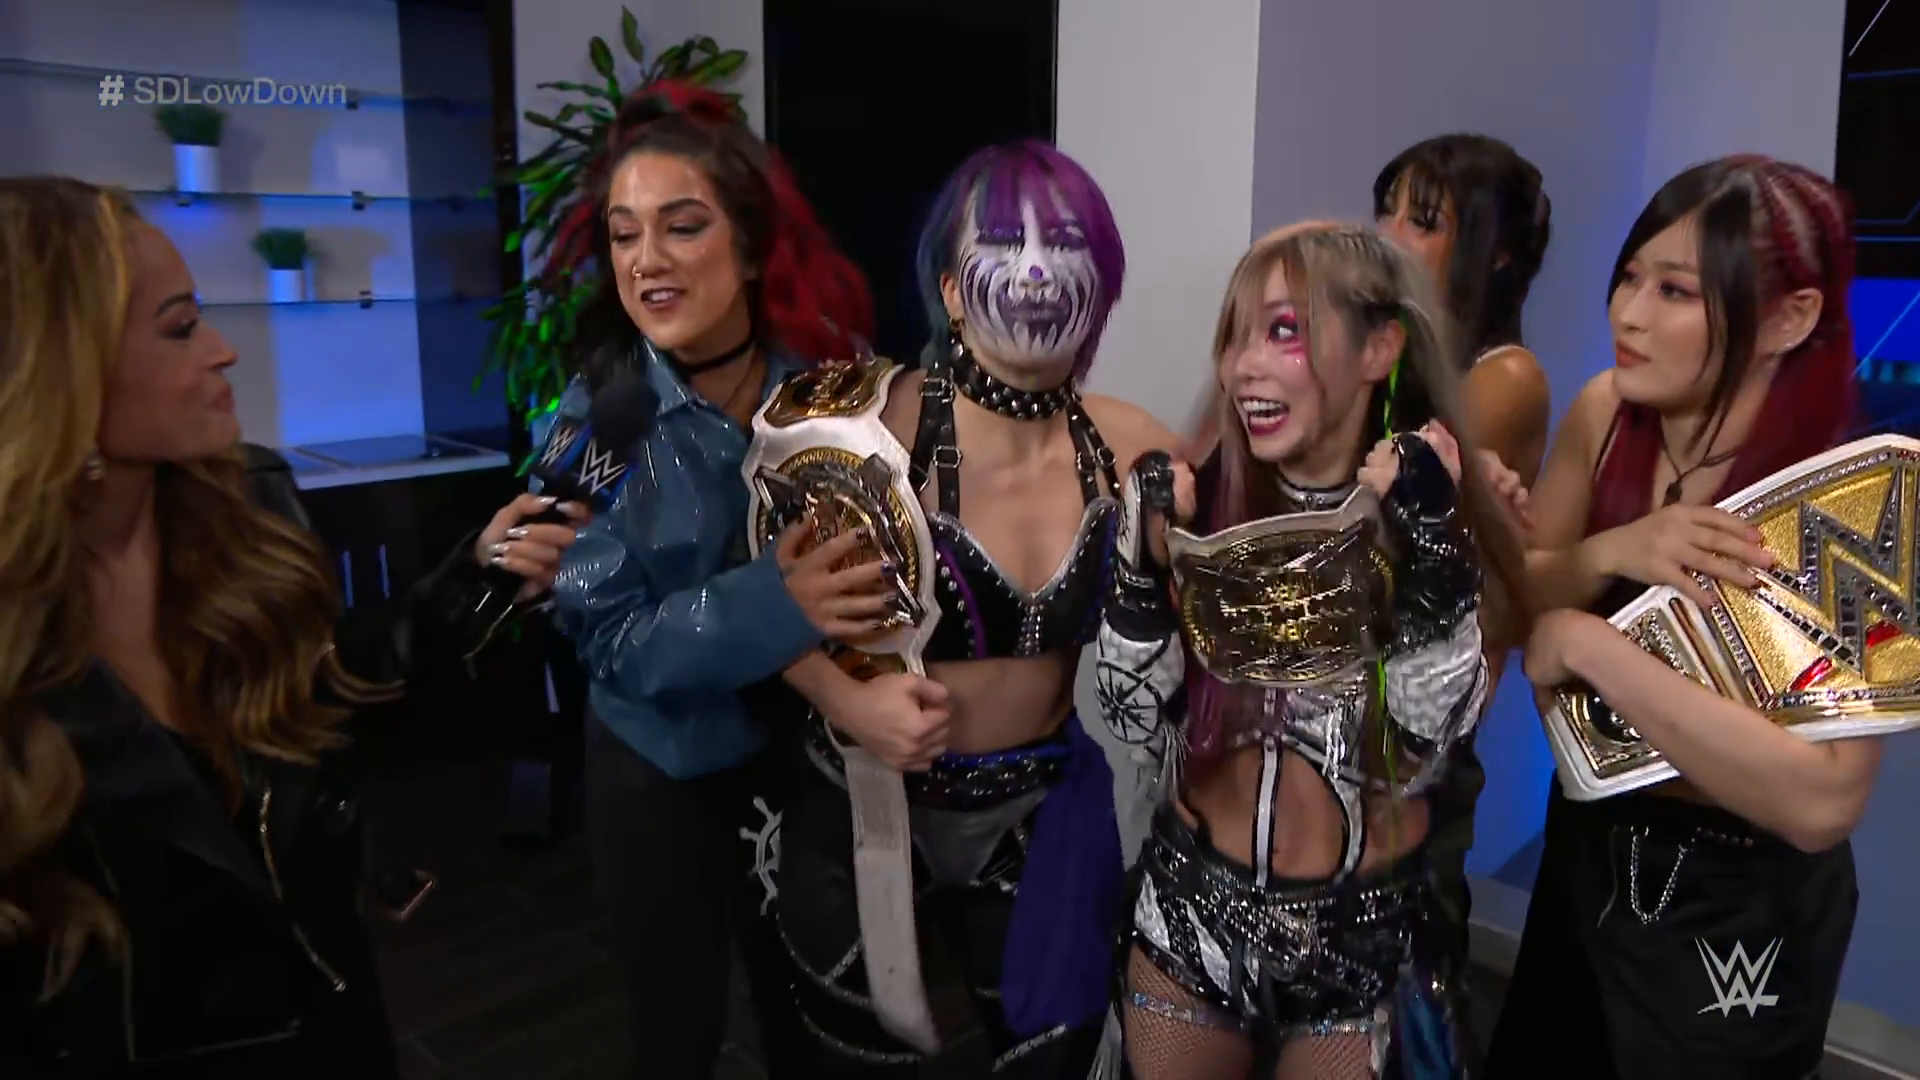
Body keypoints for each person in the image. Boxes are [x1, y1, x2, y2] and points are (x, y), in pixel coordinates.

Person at [0, 177, 551, 1077]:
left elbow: (325, 703)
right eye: (181, 328)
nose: (223, 351)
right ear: (60, 370)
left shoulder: (248, 508)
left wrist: (476, 582)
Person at [769, 139, 1176, 1077]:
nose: (1035, 270)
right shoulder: (859, 434)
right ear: (952, 289)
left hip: (1038, 816)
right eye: (1003, 241)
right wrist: (848, 700)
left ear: (1103, 287)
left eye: (1064, 243)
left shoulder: (1138, 449)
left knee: (1058, 1061)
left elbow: (1244, 580)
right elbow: (761, 611)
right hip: (864, 805)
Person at [1092, 221, 1528, 1078]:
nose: (1243, 368)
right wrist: (1139, 576)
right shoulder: (1192, 505)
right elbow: (1134, 720)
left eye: (1283, 331)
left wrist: (1434, 549)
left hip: (1360, 941)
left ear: (1381, 348)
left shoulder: (1435, 509)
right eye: (1235, 337)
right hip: (1189, 917)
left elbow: (1424, 745)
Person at [1481, 155, 1867, 1080]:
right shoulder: (1607, 413)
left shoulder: (1842, 498)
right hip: (1588, 846)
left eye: (1675, 291)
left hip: (1742, 900)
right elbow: (1519, 608)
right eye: (1629, 278)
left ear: (1790, 319)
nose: (1628, 314)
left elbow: (1824, 799)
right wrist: (1610, 552)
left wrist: (1592, 647)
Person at [544, 82, 882, 1080]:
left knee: (810, 1013)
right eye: (624, 234)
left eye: (682, 226)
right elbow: (606, 635)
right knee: (676, 1025)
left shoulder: (825, 390)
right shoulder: (598, 418)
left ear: (752, 245)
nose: (646, 259)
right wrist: (774, 604)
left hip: (800, 759)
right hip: (656, 763)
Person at [1371, 132, 1555, 1016]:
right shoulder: (1399, 349)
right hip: (1361, 681)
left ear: (1498, 251)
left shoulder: (1505, 376)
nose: (1388, 234)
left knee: (1408, 946)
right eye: (1387, 210)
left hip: (1426, 708)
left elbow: (1387, 514)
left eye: (1423, 219)